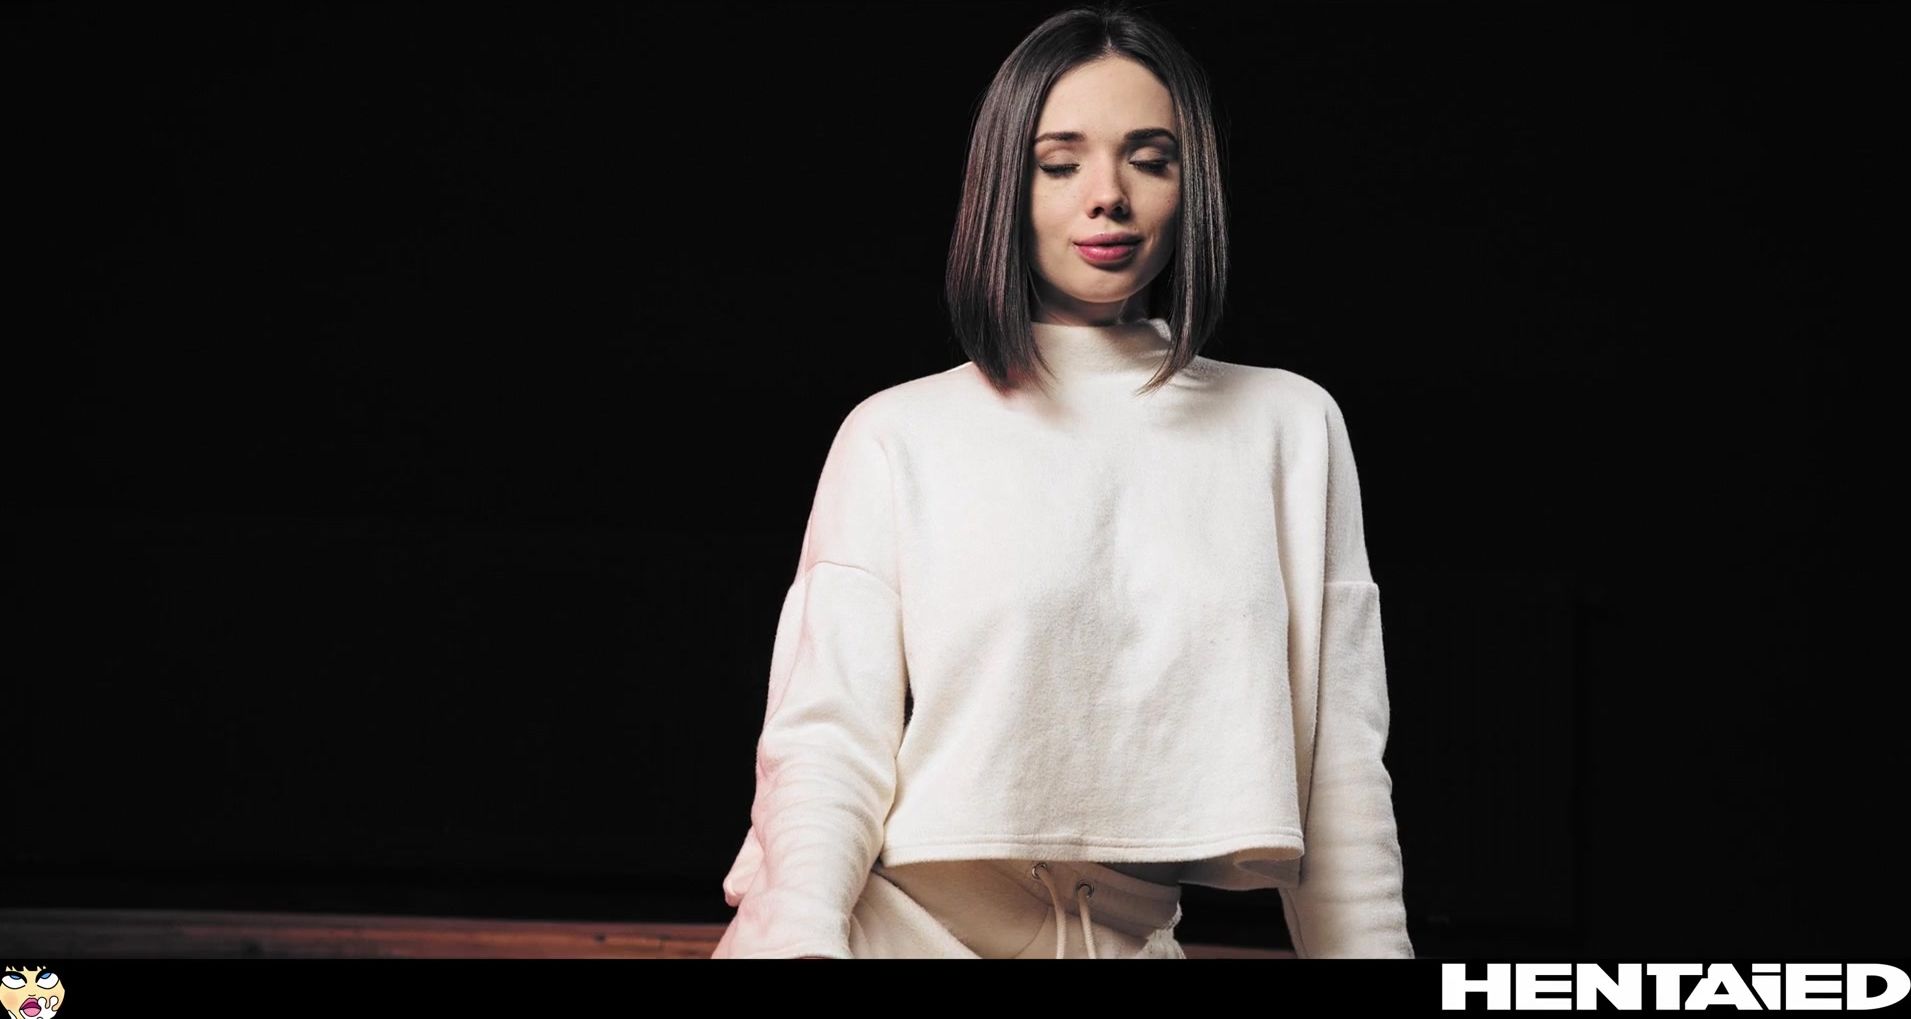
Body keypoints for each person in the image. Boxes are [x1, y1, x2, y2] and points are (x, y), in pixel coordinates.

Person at [710, 1, 1412, 960]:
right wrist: (801, 943)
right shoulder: (898, 434)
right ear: (1007, 183)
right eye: (1059, 163)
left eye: (1150, 160)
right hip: (890, 932)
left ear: (1192, 186)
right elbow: (826, 742)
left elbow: (1342, 774)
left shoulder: (1288, 425)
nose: (1107, 196)